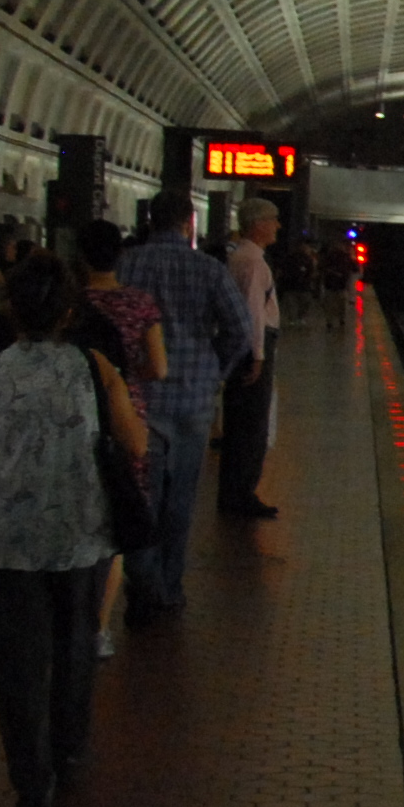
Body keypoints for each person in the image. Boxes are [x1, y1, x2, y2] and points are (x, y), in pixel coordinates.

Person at [0, 252, 145, 807]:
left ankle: (29, 782)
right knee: (72, 648)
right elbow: (135, 443)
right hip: (79, 536)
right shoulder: (94, 369)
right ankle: (68, 753)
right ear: (68, 312)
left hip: (0, 543)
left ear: (10, 309)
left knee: (14, 663)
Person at [117, 199, 254, 617]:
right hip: (194, 398)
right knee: (179, 500)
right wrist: (216, 370)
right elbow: (241, 330)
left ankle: (142, 586)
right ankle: (170, 588)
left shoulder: (126, 265)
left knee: (142, 496)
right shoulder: (209, 270)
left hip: (139, 398)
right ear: (188, 224)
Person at [67, 218, 165, 659]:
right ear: (120, 255)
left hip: (69, 412)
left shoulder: (68, 305)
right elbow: (159, 367)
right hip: (127, 411)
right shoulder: (140, 304)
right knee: (121, 511)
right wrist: (123, 379)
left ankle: (68, 613)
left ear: (80, 256)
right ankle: (101, 627)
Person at [216, 197, 282, 520]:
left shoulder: (238, 257)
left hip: (242, 348)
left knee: (240, 423)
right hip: (254, 349)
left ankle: (234, 491)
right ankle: (241, 494)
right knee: (252, 425)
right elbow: (254, 313)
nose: (277, 226)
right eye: (273, 220)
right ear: (257, 224)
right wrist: (258, 355)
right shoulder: (254, 263)